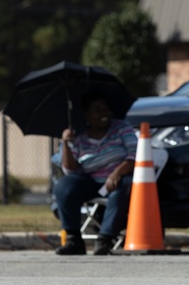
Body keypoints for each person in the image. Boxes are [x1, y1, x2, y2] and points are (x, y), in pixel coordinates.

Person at [52, 92, 137, 256]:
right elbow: (70, 170)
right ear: (87, 115)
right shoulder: (79, 136)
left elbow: (134, 155)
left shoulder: (121, 128)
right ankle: (74, 239)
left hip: (119, 177)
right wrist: (66, 143)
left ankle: (104, 239)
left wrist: (116, 173)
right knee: (64, 185)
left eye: (106, 109)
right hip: (90, 180)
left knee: (123, 186)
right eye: (97, 110)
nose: (103, 113)